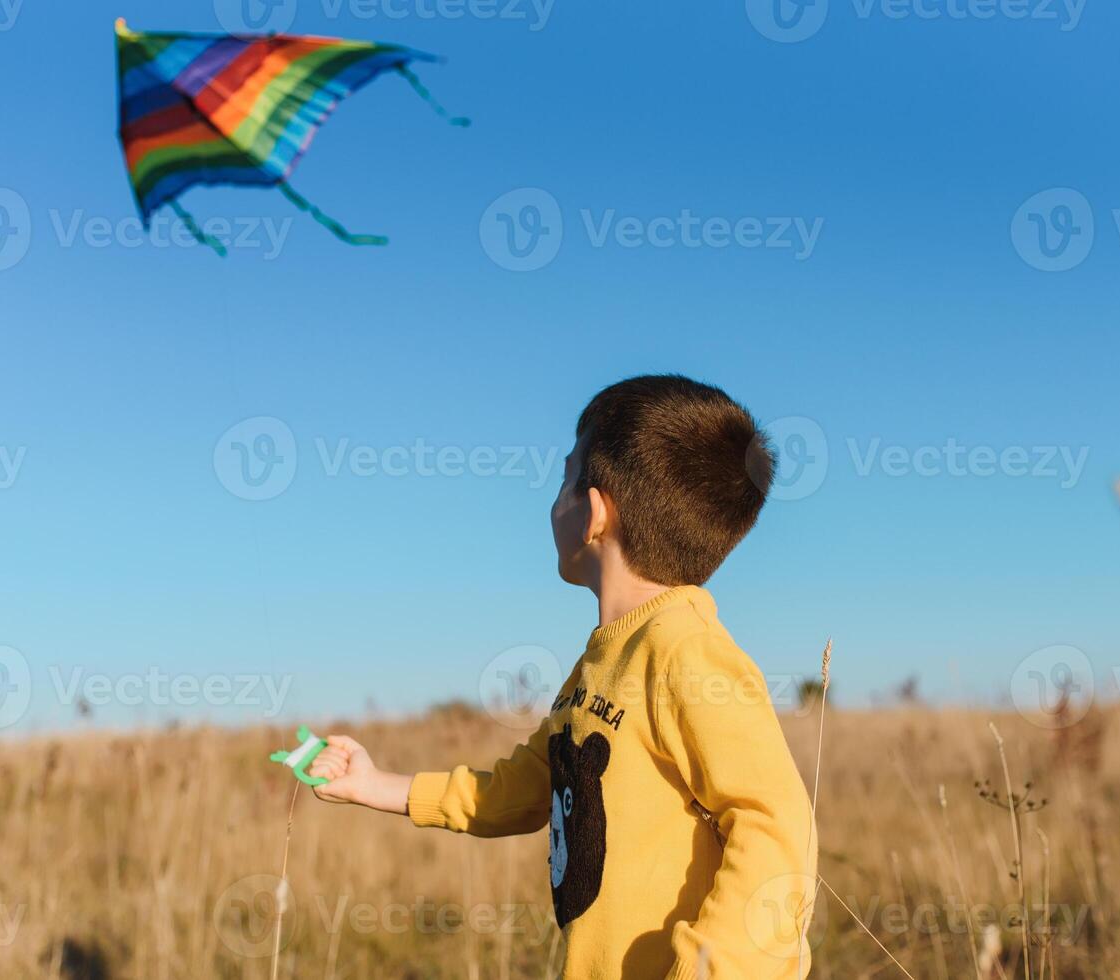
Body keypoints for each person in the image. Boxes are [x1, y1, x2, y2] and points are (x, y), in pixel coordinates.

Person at [309, 374, 815, 978]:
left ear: (595, 512)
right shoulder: (599, 662)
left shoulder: (687, 651)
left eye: (565, 475)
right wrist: (378, 785)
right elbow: (524, 788)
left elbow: (776, 825)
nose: (553, 502)